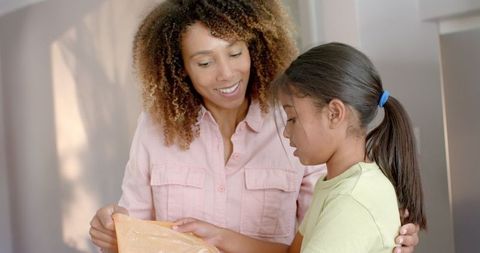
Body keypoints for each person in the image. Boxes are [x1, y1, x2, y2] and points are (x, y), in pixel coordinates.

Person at [89, 1, 419, 252]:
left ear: (255, 48)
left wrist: (384, 233)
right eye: (205, 62)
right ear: (179, 69)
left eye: (235, 53)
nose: (226, 74)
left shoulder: (301, 127)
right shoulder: (154, 127)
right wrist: (114, 230)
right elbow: (134, 231)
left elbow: (329, 226)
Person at [173, 42, 427, 253]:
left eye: (292, 118)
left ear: (334, 113)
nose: (286, 131)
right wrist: (217, 237)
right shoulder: (336, 183)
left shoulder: (352, 199)